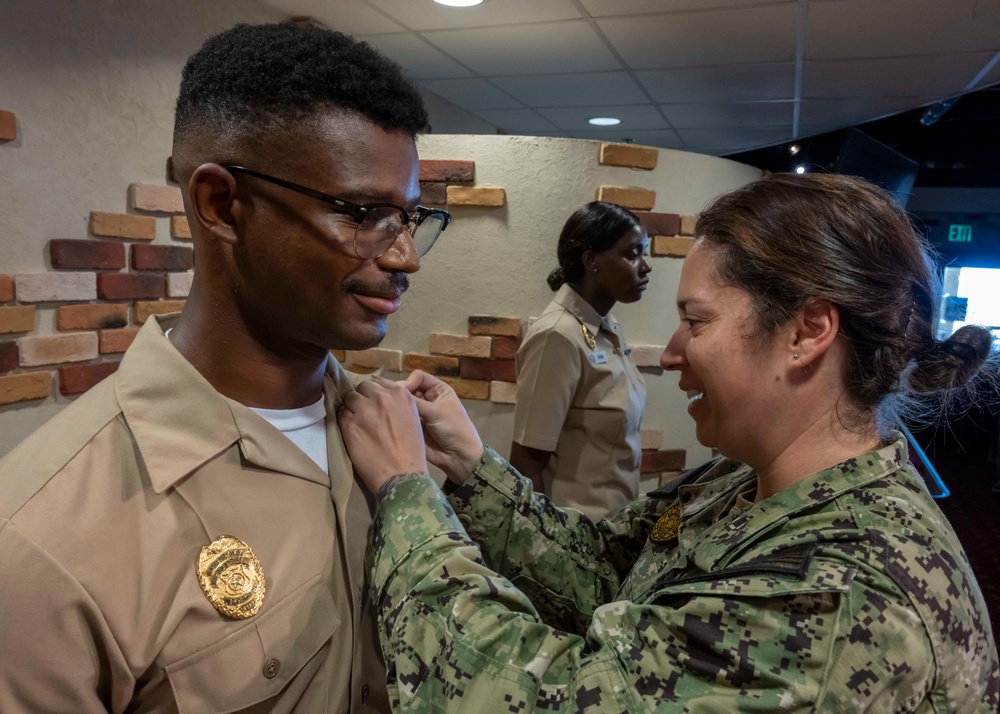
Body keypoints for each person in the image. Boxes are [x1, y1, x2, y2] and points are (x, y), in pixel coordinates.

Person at [339, 173, 1000, 712]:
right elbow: (604, 572)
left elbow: (536, 697)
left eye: (696, 322)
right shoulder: (742, 484)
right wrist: (471, 466)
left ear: (809, 331)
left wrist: (408, 496)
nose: (675, 352)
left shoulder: (840, 598)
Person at [0, 22, 450, 712]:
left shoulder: (392, 438)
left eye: (409, 218)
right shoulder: (45, 540)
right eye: (363, 214)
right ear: (222, 206)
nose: (404, 257)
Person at [510, 202, 650, 519]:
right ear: (591, 261)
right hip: (574, 539)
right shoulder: (557, 336)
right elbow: (526, 461)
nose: (645, 266)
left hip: (612, 532)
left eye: (644, 253)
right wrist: (543, 547)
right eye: (632, 254)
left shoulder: (607, 327)